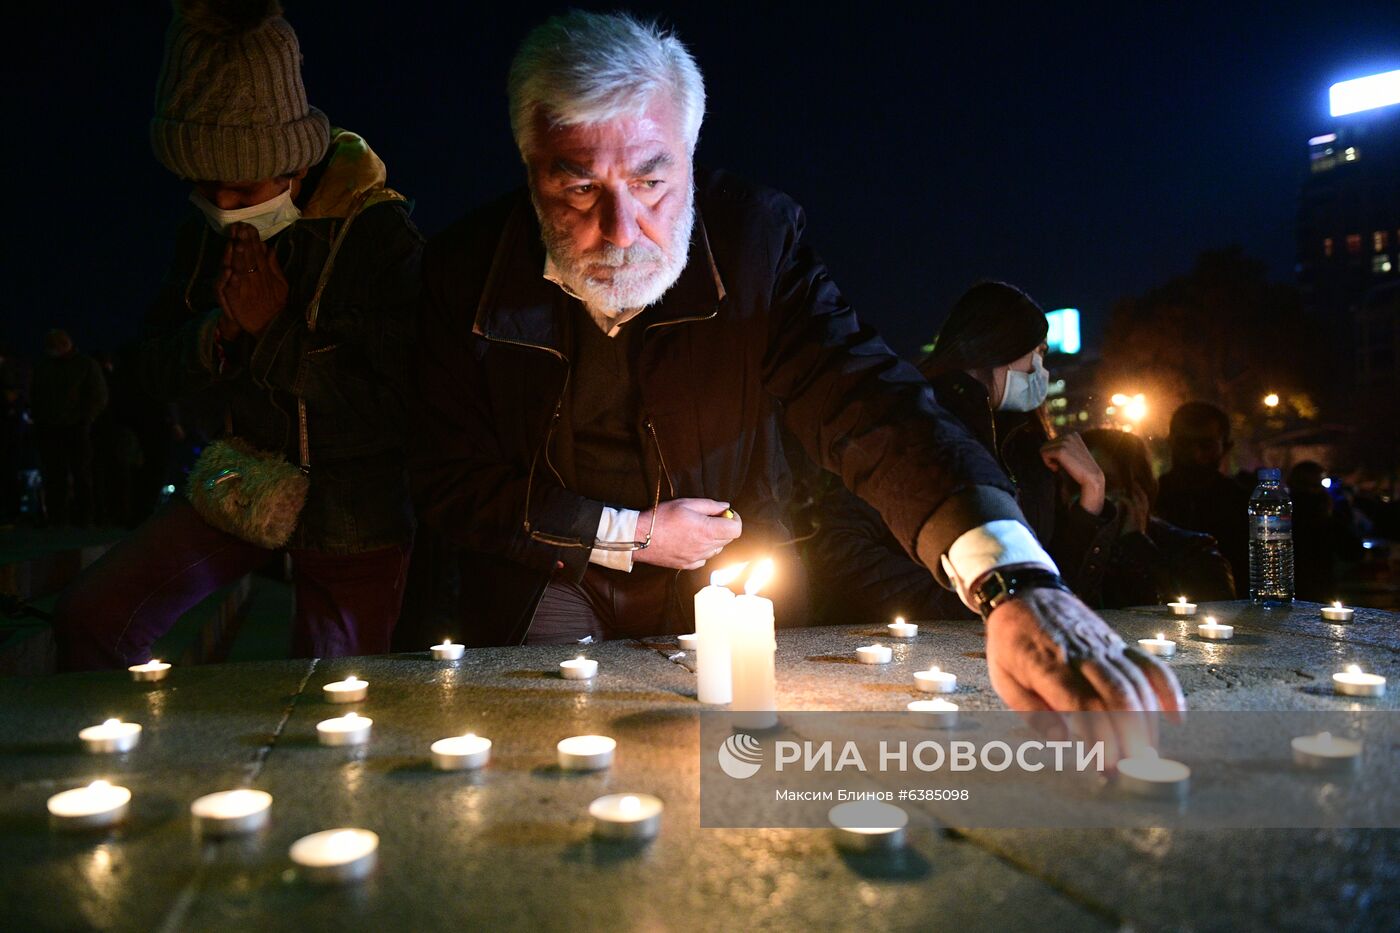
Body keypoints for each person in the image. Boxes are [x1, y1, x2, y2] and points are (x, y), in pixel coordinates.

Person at [413, 11, 1181, 728]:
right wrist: (628, 534)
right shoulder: (463, 272)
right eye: (577, 185)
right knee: (560, 738)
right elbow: (447, 474)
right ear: (529, 164)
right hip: (544, 572)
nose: (621, 231)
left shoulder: (754, 241)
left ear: (690, 151)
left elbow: (865, 395)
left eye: (651, 181)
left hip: (720, 579)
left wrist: (1012, 579)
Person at [53, 0, 421, 670]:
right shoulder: (203, 232)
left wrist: (274, 330)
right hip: (237, 483)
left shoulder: (377, 233)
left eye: (244, 185)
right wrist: (213, 333)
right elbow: (148, 366)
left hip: (354, 517)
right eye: (205, 185)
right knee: (92, 617)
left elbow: (403, 401)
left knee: (323, 701)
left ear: (294, 159)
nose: (224, 206)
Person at [798, 281, 1118, 624]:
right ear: (1002, 343)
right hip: (915, 653)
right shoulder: (911, 426)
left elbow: (1053, 585)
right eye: (1037, 352)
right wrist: (965, 607)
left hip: (1004, 647)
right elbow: (839, 545)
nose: (1042, 369)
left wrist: (1092, 495)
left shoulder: (1029, 441)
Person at [1080, 428, 1235, 607]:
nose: (1086, 497)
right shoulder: (1058, 544)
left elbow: (1213, 619)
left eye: (1104, 484)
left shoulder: (1193, 550)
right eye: (1076, 484)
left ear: (1138, 491)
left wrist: (1136, 545)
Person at [1156, 401, 1250, 587]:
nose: (1194, 453)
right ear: (1170, 442)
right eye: (1184, 443)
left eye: (1205, 445)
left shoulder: (1242, 503)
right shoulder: (1150, 497)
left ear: (1226, 446)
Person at [30, 329, 107, 526]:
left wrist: (85, 419)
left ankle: (82, 518)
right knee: (55, 474)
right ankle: (58, 518)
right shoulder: (46, 366)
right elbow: (35, 394)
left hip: (75, 427)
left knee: (80, 473)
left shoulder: (85, 365)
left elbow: (98, 395)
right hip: (50, 428)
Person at [1287, 460, 1363, 602]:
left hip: (1288, 587)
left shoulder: (1282, 513)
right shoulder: (1325, 513)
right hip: (1320, 588)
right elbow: (1353, 551)